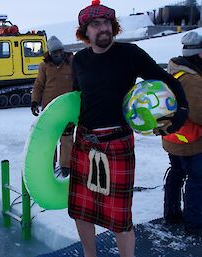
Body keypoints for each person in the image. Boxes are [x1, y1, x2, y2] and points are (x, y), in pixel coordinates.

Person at [68, 1, 189, 257]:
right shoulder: (78, 60)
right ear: (84, 32)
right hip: (85, 141)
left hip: (117, 142)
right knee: (81, 210)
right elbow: (74, 99)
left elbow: (166, 80)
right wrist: (64, 133)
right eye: (96, 24)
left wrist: (181, 113)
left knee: (120, 217)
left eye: (107, 23)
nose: (103, 28)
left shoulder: (131, 54)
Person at [162, 31, 202, 235]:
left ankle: (172, 213)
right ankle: (195, 224)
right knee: (197, 179)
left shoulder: (174, 72)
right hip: (191, 141)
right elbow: (198, 114)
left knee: (176, 174)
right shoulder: (192, 79)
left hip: (172, 137)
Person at [31, 36, 74, 177]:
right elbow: (38, 85)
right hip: (50, 110)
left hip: (68, 109)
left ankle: (66, 167)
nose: (59, 55)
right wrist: (34, 101)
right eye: (55, 53)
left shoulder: (71, 63)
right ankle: (50, 163)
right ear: (50, 53)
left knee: (67, 139)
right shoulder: (44, 66)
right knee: (50, 139)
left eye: (60, 51)